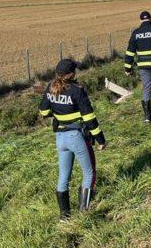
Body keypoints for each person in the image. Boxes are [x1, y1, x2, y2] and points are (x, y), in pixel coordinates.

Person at [39, 59, 106, 222]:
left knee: (63, 177)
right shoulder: (77, 90)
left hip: (60, 138)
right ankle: (84, 212)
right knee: (89, 173)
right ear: (71, 74)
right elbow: (89, 117)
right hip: (77, 137)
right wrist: (100, 139)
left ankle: (64, 217)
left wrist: (58, 114)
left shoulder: (51, 87)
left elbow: (43, 111)